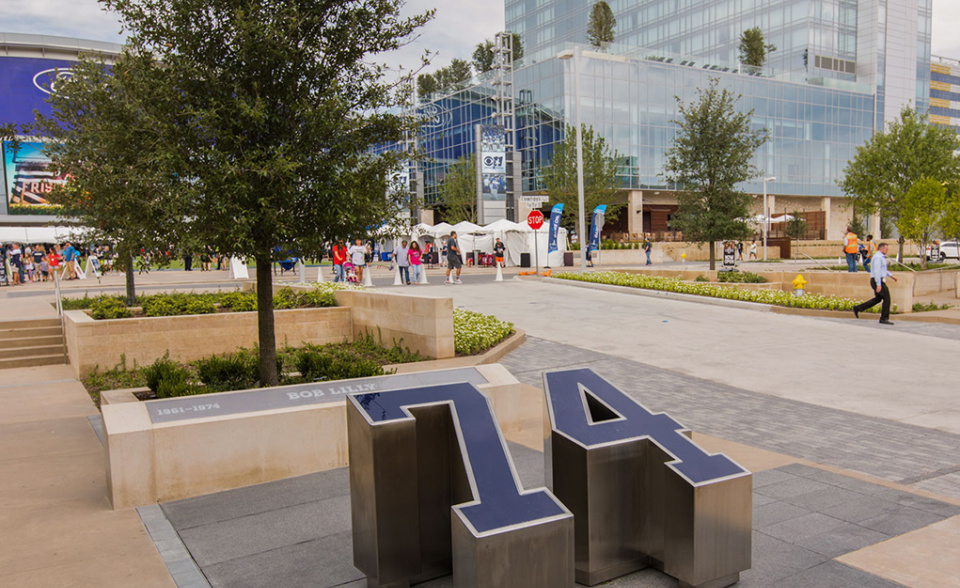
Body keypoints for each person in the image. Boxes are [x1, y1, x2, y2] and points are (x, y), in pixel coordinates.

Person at [853, 242, 897, 325]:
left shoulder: (880, 257)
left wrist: (891, 276)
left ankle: (858, 308)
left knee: (878, 299)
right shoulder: (877, 258)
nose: (887, 250)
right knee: (887, 299)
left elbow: (883, 270)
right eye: (886, 248)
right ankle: (884, 318)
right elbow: (877, 272)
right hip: (877, 280)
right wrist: (878, 284)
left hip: (878, 280)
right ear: (881, 249)